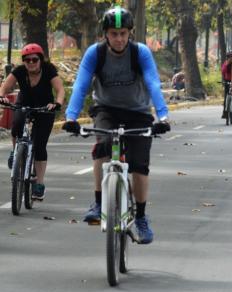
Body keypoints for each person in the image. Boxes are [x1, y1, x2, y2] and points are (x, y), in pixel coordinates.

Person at [62, 6, 170, 244]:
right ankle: (99, 203)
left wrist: (163, 116)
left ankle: (141, 217)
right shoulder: (95, 53)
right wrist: (70, 117)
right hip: (106, 110)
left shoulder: (140, 52)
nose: (119, 38)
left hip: (139, 112)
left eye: (123, 33)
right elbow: (81, 86)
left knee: (140, 166)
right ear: (105, 34)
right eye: (114, 33)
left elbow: (153, 83)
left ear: (130, 33)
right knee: (103, 146)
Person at [0, 43, 65, 201]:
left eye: (34, 59)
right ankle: (16, 153)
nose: (30, 63)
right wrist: (2, 95)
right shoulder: (20, 71)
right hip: (24, 104)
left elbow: (60, 90)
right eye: (26, 60)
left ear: (40, 60)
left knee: (39, 144)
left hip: (45, 107)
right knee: (16, 127)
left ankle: (39, 184)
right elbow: (5, 86)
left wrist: (57, 103)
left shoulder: (49, 70)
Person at [221, 50, 232, 119]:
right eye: (230, 57)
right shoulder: (225, 63)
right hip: (228, 81)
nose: (231, 58)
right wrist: (227, 64)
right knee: (226, 97)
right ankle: (225, 112)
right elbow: (223, 72)